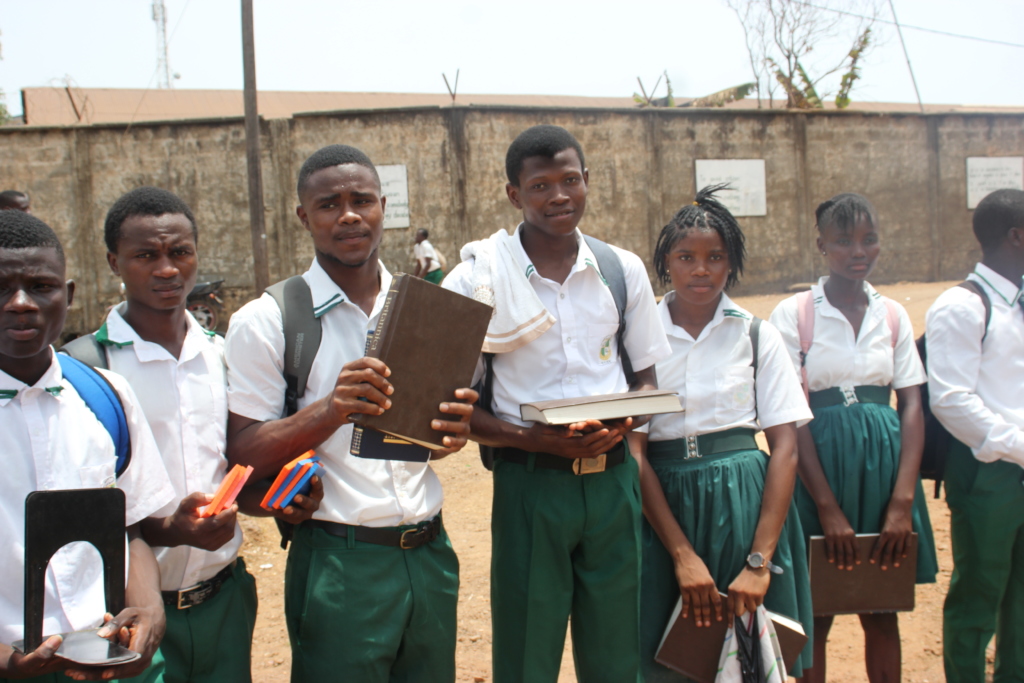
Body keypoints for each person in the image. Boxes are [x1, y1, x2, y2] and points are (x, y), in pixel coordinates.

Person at [223, 144, 478, 683]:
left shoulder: (425, 308)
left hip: (430, 554)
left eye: (362, 200)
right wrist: (330, 412)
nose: (349, 215)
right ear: (303, 216)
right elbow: (242, 452)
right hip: (340, 562)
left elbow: (432, 431)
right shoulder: (267, 320)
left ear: (383, 206)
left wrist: (451, 433)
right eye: (329, 204)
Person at [62, 186, 321, 683]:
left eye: (180, 252)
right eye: (146, 255)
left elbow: (232, 476)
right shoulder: (85, 370)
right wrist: (169, 530)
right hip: (124, 619)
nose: (166, 269)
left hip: (223, 600)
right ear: (114, 262)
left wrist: (277, 499)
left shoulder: (223, 357)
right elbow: (84, 513)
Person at [443, 124, 672, 683]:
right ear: (514, 195)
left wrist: (622, 421)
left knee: (617, 650)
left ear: (588, 181)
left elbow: (646, 381)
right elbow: (455, 408)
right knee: (527, 653)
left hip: (614, 481)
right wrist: (530, 438)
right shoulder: (480, 281)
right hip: (531, 486)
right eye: (540, 185)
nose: (559, 196)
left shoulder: (621, 270)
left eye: (570, 180)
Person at [634, 186, 814, 682]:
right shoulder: (639, 337)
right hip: (662, 512)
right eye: (686, 256)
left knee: (753, 656)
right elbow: (635, 454)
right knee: (668, 656)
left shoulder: (757, 335)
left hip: (745, 508)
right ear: (665, 260)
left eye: (716, 257)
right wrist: (682, 555)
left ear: (731, 263)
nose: (701, 269)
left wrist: (759, 561)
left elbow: (785, 451)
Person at [769, 192, 938, 683]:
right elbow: (790, 413)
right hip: (816, 467)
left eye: (869, 240)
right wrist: (826, 505)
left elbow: (910, 404)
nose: (858, 251)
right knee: (815, 610)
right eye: (844, 241)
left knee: (882, 609)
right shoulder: (795, 314)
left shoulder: (893, 316)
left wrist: (902, 501)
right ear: (822, 244)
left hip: (884, 472)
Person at [0, 209, 175, 681]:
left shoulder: (106, 395)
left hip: (111, 656)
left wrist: (149, 610)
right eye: (2, 288)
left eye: (40, 286)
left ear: (68, 294)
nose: (20, 303)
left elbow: (132, 527)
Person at [926, 188, 1024, 683]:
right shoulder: (961, 306)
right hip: (988, 474)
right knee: (979, 593)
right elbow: (951, 401)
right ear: (1016, 236)